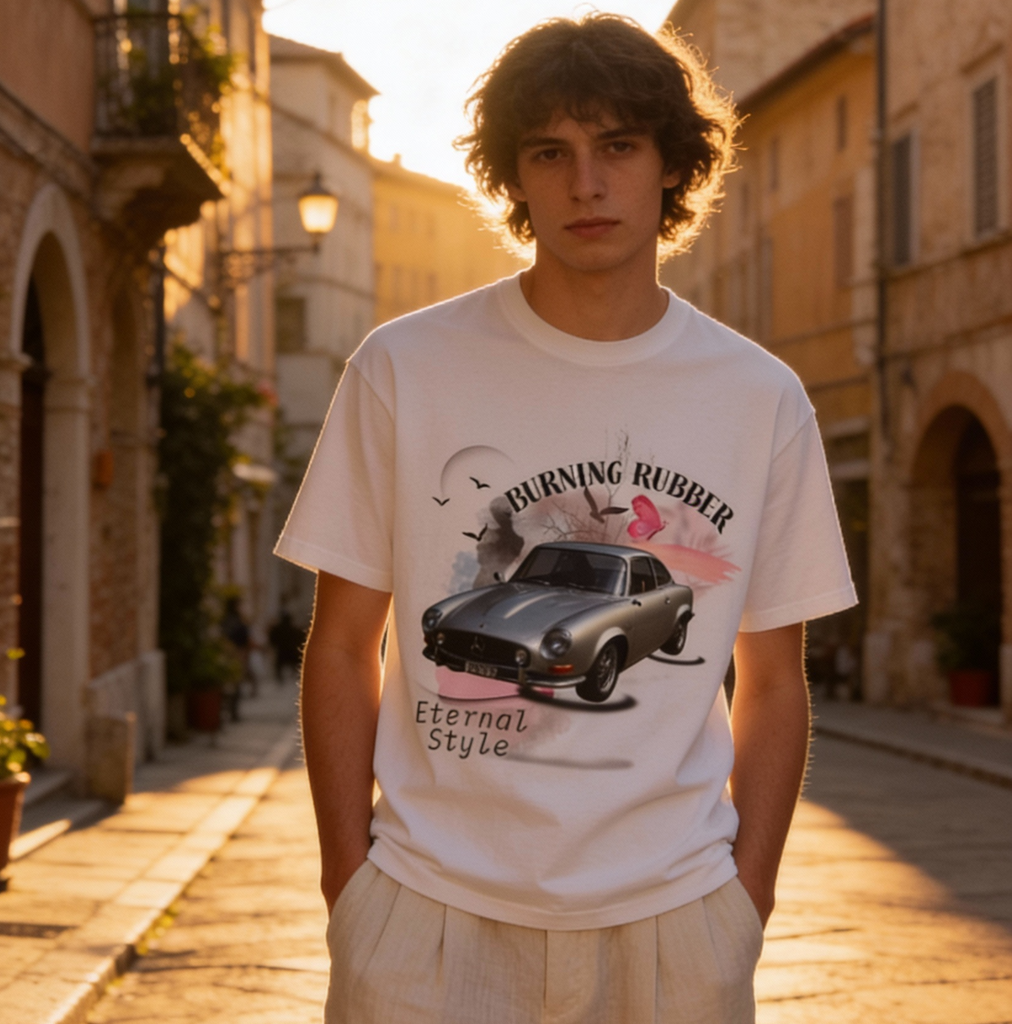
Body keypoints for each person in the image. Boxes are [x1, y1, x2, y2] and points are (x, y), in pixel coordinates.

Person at [275, 14, 856, 1023]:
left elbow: (771, 679)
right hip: (427, 910)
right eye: (551, 152)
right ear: (515, 175)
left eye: (617, 146)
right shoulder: (404, 368)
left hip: (673, 921)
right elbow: (340, 645)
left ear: (672, 166)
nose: (586, 184)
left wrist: (744, 903)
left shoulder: (758, 397)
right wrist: (349, 889)